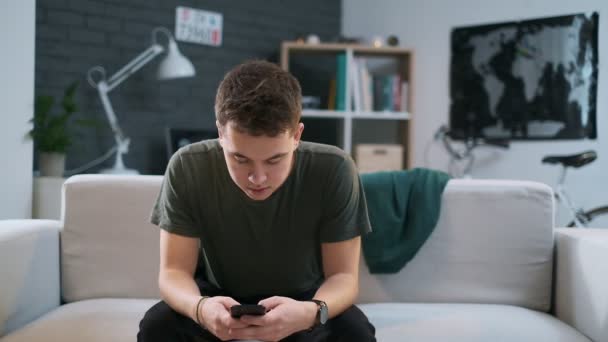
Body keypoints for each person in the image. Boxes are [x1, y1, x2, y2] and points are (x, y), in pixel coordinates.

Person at [138, 60, 376, 342]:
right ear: (221, 134)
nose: (258, 178)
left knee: (355, 333)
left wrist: (311, 312)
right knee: (157, 326)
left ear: (297, 135)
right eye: (240, 159)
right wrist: (200, 309)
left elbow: (343, 278)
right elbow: (174, 272)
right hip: (215, 297)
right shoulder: (187, 166)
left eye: (274, 159)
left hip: (304, 302)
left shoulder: (335, 168)